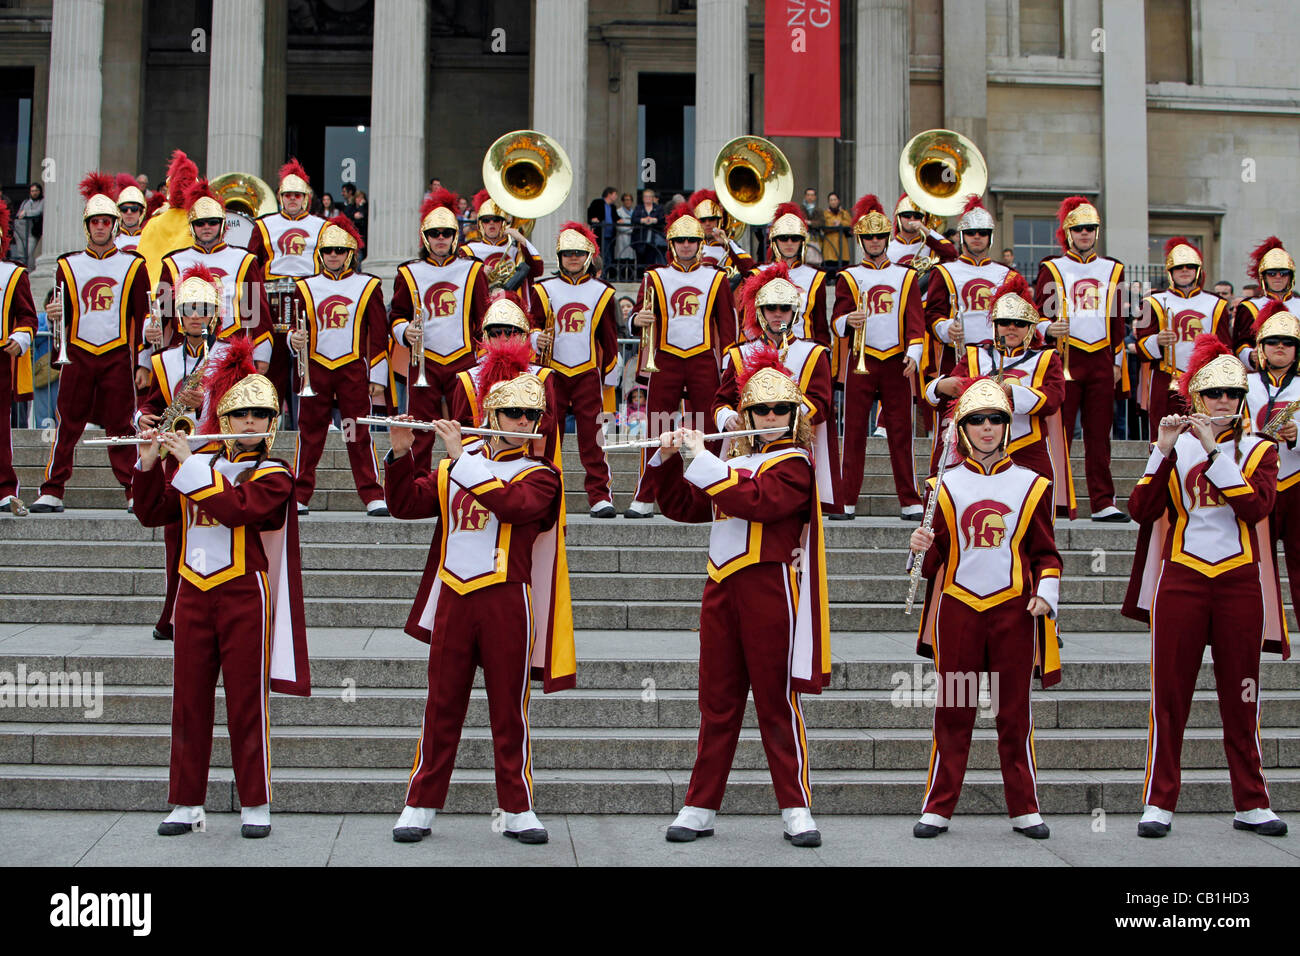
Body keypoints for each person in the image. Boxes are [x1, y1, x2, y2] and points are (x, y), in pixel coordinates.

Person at [386, 340, 574, 845]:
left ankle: (517, 808)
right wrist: (402, 452)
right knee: (441, 705)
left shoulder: (543, 475)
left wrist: (459, 457)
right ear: (491, 412)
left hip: (506, 600)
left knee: (508, 709)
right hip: (454, 597)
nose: (521, 422)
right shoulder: (454, 466)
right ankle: (420, 804)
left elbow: (512, 505)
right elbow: (406, 504)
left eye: (530, 415)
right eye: (511, 412)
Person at [645, 344, 829, 846]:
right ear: (744, 414)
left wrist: (702, 459)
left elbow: (758, 503)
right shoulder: (732, 461)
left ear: (794, 415)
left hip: (769, 588)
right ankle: (699, 806)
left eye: (779, 409)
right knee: (717, 704)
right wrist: (665, 459)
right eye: (760, 410)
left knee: (775, 702)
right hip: (721, 588)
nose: (769, 417)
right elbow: (683, 506)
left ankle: (795, 807)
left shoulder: (795, 463)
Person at [134, 337, 310, 838]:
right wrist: (149, 463)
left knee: (245, 701)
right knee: (188, 701)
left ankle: (255, 801)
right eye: (240, 414)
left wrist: (187, 463)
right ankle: (186, 802)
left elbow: (239, 510)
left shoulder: (276, 473)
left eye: (259, 414)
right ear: (225, 419)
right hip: (191, 594)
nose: (249, 423)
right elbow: (152, 514)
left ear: (271, 421)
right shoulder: (200, 462)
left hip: (243, 595)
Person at [1123, 334, 1289, 838]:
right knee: (1170, 694)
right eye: (1213, 393)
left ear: (1242, 402)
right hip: (1183, 579)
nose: (1222, 403)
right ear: (1195, 396)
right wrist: (1162, 450)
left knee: (1242, 694)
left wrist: (1217, 452)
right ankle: (1159, 801)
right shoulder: (1176, 447)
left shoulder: (1261, 449)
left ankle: (1251, 802)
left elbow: (1256, 508)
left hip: (1239, 581)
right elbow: (1141, 511)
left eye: (1232, 395)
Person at [909, 377, 1062, 840]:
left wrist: (1046, 592)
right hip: (957, 608)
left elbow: (1047, 554)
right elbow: (930, 560)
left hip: (1014, 609)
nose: (988, 427)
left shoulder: (1034, 483)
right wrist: (919, 546)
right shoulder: (942, 485)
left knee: (1014, 712)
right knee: (953, 710)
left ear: (1008, 425)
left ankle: (1024, 808)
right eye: (977, 420)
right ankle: (938, 807)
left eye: (996, 419)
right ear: (962, 428)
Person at [31, 173, 150, 514]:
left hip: (116, 354)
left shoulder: (134, 265)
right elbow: (58, 307)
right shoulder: (67, 264)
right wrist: (52, 311)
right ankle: (53, 489)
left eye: (106, 222)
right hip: (78, 353)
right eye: (95, 221)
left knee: (121, 424)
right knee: (67, 422)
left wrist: (143, 363)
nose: (101, 227)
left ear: (115, 225)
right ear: (88, 225)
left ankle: (133, 490)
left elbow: (143, 317)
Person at [926, 273, 1074, 517]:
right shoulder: (975, 355)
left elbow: (1054, 398)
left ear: (1030, 328)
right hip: (974, 449)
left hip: (1026, 445)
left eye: (1019, 323)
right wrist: (941, 386)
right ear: (995, 325)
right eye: (1005, 321)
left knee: (1033, 518)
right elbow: (942, 394)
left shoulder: (1046, 358)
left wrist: (1012, 392)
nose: (1011, 327)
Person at [625, 207, 737, 517]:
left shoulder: (717, 278)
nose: (686, 245)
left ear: (700, 243)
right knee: (657, 426)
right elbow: (635, 316)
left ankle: (712, 494)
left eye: (691, 240)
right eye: (680, 240)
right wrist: (636, 320)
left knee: (709, 427)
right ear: (671, 244)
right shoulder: (654, 276)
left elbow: (727, 327)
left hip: (703, 359)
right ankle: (645, 496)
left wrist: (729, 364)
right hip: (665, 358)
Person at [135, 264, 225, 641]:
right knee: (175, 538)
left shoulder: (228, 355)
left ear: (214, 313)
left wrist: (206, 401)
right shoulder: (161, 360)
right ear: (179, 314)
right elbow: (147, 405)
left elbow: (247, 408)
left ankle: (215, 613)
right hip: (175, 456)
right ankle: (172, 613)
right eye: (189, 309)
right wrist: (143, 419)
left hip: (217, 457)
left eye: (203, 308)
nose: (195, 316)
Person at [1032, 196, 1129, 522]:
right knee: (1057, 432)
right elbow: (1036, 315)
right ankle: (1057, 499)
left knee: (1099, 435)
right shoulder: (1052, 267)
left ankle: (1103, 502)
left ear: (1096, 232)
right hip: (1065, 357)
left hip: (1101, 358)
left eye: (1090, 228)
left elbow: (1120, 321)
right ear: (1068, 232)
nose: (1085, 233)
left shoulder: (1114, 269)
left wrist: (1117, 363)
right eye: (1079, 228)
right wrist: (1049, 326)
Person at [713, 262, 839, 510]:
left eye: (784, 308)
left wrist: (783, 418)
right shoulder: (740, 354)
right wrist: (727, 417)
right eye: (771, 308)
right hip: (746, 446)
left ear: (794, 312)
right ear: (760, 311)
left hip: (794, 447)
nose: (777, 314)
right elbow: (720, 401)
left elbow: (821, 403)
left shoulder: (814, 353)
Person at [287, 214, 389, 517]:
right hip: (315, 369)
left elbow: (379, 334)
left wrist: (378, 376)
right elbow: (294, 327)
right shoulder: (305, 286)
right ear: (320, 254)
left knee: (356, 432)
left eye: (340, 251)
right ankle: (300, 492)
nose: (334, 256)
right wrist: (294, 338)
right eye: (328, 251)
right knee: (310, 432)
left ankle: (372, 493)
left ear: (350, 254)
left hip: (353, 369)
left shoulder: (368, 285)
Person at [832, 194, 925, 521]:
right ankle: (845, 500)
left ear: (887, 239)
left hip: (897, 362)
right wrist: (847, 322)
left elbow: (916, 319)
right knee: (854, 432)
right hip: (861, 360)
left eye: (879, 237)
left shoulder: (906, 276)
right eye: (868, 237)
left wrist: (915, 352)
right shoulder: (848, 276)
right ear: (861, 240)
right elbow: (836, 319)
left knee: (901, 433)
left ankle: (910, 501)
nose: (874, 242)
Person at [390, 187, 489, 472]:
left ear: (455, 235)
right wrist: (405, 332)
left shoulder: (473, 270)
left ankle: (470, 479)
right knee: (421, 429)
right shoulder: (408, 272)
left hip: (464, 359)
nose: (441, 238)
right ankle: (420, 483)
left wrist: (483, 359)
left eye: (446, 233)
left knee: (468, 426)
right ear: (426, 237)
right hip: (423, 360)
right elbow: (396, 315)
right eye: (435, 233)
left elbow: (484, 318)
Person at [530, 222, 620, 516]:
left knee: (593, 437)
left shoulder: (602, 291)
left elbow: (609, 336)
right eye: (567, 253)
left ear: (588, 255)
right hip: (551, 373)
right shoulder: (542, 289)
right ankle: (542, 493)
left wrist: (608, 374)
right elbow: (530, 325)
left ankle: (599, 496)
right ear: (559, 256)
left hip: (586, 373)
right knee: (545, 435)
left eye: (578, 253)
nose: (572, 258)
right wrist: (534, 339)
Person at [154, 178, 273, 376]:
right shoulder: (173, 262)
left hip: (232, 354)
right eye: (200, 223)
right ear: (192, 226)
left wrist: (261, 356)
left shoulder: (244, 260)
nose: (206, 227)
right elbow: (160, 314)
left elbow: (258, 314)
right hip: (184, 354)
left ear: (222, 224)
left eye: (212, 222)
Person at [247, 159, 329, 404]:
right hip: (271, 304)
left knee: (312, 367)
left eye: (298, 195)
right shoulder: (263, 225)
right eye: (288, 195)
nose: (293, 199)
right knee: (271, 370)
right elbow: (250, 270)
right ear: (280, 196)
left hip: (308, 301)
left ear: (306, 198)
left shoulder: (323, 226)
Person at [1133, 238, 1231, 436]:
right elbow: (1141, 347)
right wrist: (1157, 341)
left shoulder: (1216, 304)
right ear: (1170, 272)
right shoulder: (1152, 302)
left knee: (1203, 437)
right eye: (1179, 267)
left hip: (1205, 381)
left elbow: (1226, 348)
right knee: (1162, 436)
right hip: (1164, 379)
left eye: (1189, 266)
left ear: (1197, 270)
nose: (1184, 270)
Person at [1245, 301, 1300, 613]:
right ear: (1261, 347)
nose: (1281, 347)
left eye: (1288, 343)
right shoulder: (1241, 384)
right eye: (1273, 342)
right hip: (1254, 483)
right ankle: (1257, 627)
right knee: (1253, 563)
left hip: (1297, 482)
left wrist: (1298, 435)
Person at [924, 195, 1013, 383]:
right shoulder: (944, 271)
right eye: (972, 232)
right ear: (963, 236)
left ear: (990, 236)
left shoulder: (1007, 274)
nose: (977, 237)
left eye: (982, 232)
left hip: (997, 356)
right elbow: (932, 314)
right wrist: (946, 328)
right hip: (957, 356)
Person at [0, 198, 37, 516]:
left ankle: (4, 488)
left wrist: (20, 336)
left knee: (0, 428)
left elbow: (27, 314)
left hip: (0, 359)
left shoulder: (13, 274)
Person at [1233, 238, 1300, 370]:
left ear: (1290, 277)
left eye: (1284, 273)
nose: (1278, 277)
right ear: (1263, 277)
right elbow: (1240, 343)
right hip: (1261, 371)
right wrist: (1249, 355)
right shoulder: (1250, 306)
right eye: (1272, 273)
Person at [461, 191, 544, 294]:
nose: (491, 223)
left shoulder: (516, 251)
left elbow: (538, 270)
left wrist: (520, 238)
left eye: (496, 219)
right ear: (481, 225)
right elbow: (461, 279)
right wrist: (478, 272)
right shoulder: (469, 250)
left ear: (503, 223)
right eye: (486, 220)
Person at [686, 190, 756, 277]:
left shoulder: (730, 246)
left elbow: (750, 269)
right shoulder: (689, 246)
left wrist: (727, 244)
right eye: (703, 220)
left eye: (711, 219)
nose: (707, 224)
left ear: (719, 221)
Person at [888, 193, 957, 270]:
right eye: (907, 215)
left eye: (917, 216)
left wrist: (926, 231)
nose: (912, 219)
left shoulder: (932, 246)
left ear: (922, 219)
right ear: (899, 218)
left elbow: (952, 254)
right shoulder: (887, 248)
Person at [113, 174, 148, 254]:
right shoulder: (111, 241)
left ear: (141, 212)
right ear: (119, 212)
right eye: (124, 209)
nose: (129, 212)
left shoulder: (149, 239)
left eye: (134, 209)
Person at [819, 192, 852, 276]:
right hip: (829, 246)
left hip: (842, 247)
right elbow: (823, 224)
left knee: (842, 271)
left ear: (838, 201)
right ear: (828, 202)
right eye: (831, 200)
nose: (833, 202)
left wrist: (840, 222)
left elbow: (850, 223)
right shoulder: (825, 214)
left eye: (835, 200)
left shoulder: (844, 213)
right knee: (829, 270)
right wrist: (833, 224)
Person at [633, 189, 666, 266]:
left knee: (651, 262)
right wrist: (643, 220)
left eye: (649, 196)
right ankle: (639, 277)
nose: (647, 198)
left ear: (652, 198)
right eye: (645, 196)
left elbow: (662, 219)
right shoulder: (639, 208)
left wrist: (654, 220)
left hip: (653, 239)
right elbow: (633, 219)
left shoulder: (658, 208)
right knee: (640, 262)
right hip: (640, 238)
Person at [14, 183, 43, 268]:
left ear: (40, 191)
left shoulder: (43, 201)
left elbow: (38, 211)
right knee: (21, 254)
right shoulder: (26, 202)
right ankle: (22, 272)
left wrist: (26, 213)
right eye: (32, 191)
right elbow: (19, 214)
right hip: (20, 231)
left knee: (29, 253)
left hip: (32, 232)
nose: (34, 193)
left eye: (36, 191)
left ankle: (30, 272)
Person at [586, 186, 618, 262]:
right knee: (601, 256)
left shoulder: (613, 206)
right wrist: (592, 219)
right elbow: (590, 213)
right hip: (600, 234)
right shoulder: (597, 202)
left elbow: (615, 217)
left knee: (609, 257)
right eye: (615, 194)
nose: (616, 196)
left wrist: (619, 220)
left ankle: (606, 273)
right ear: (609, 195)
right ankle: (601, 273)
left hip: (610, 236)